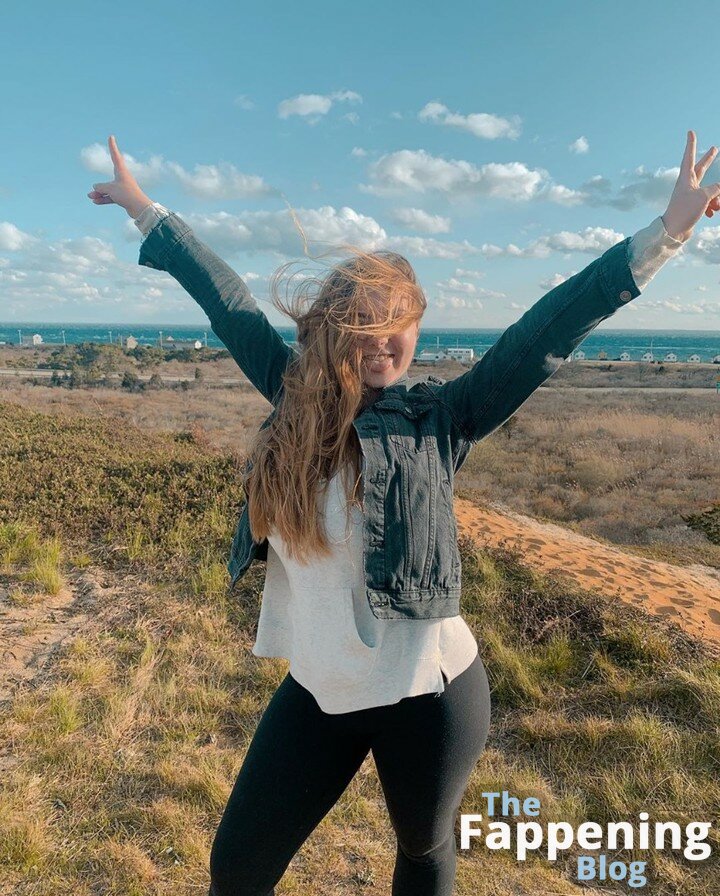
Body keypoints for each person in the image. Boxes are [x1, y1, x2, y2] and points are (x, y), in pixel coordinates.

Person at [88, 132, 719, 896]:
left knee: (422, 852)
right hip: (319, 690)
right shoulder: (293, 398)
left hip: (430, 696)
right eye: (364, 319)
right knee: (237, 868)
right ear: (335, 327)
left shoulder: (443, 419)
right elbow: (226, 302)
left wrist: (667, 234)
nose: (384, 339)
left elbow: (548, 331)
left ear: (417, 327)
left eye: (399, 321)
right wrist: (144, 210)